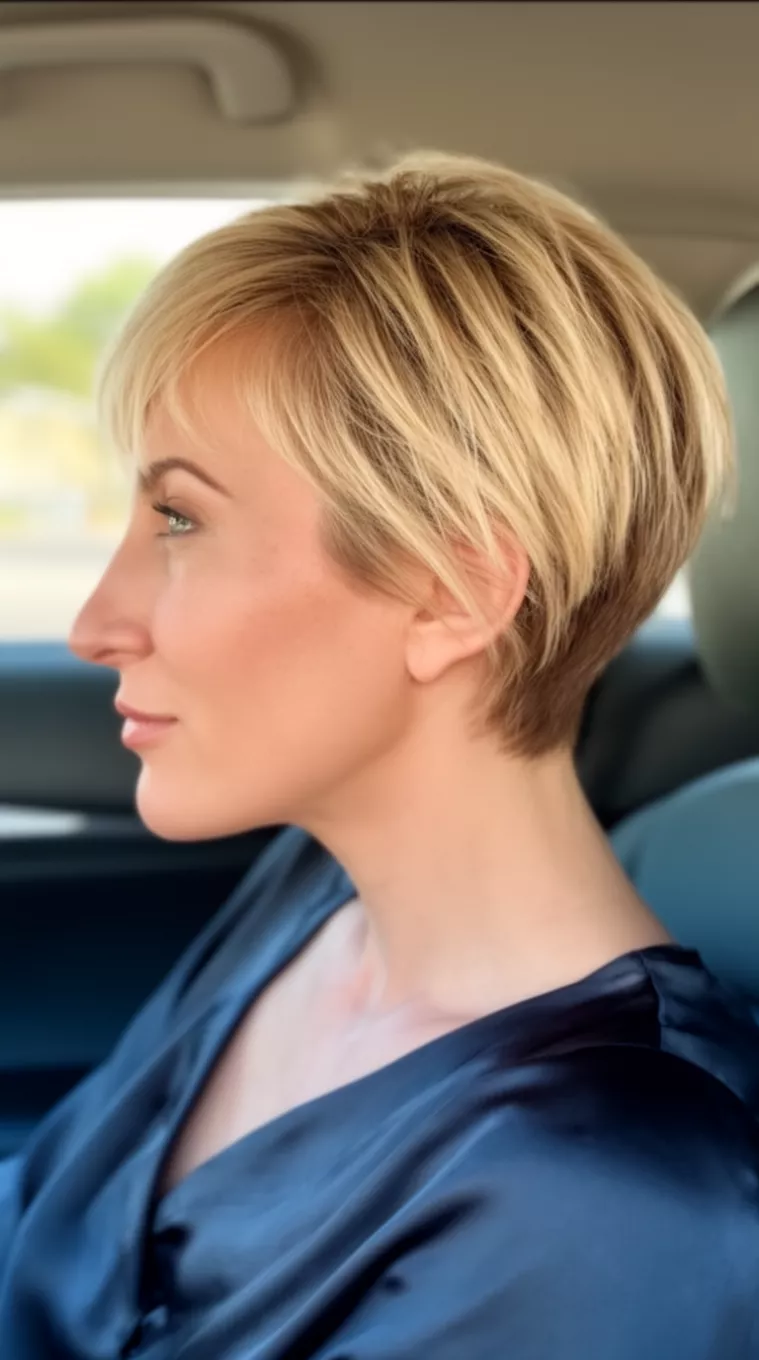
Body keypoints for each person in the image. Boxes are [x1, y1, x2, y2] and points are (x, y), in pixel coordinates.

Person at [1, 150, 757, 1359]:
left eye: (182, 519)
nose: (96, 622)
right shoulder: (311, 898)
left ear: (452, 591)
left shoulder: (610, 1205)